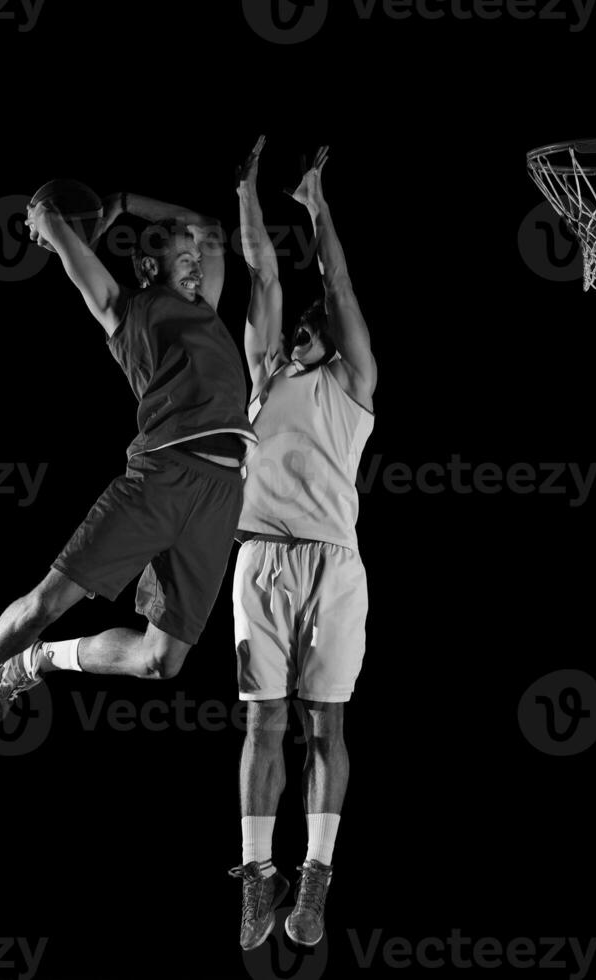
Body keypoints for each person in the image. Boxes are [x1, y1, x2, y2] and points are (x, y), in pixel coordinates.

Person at [0, 185, 256, 752]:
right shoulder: (123, 308)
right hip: (159, 478)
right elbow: (51, 222)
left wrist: (121, 202)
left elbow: (208, 225)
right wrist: (49, 220)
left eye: (197, 260)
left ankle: (39, 661)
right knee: (45, 604)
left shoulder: (204, 308)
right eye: (181, 258)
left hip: (221, 495)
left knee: (161, 663)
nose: (196, 264)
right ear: (146, 266)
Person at [227, 139, 377, 950]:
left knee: (326, 726)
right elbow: (262, 276)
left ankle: (314, 878)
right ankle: (257, 875)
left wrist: (319, 209)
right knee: (260, 726)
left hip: (333, 566)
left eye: (312, 330)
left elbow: (337, 285)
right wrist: (246, 189)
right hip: (261, 562)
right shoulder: (263, 375)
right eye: (296, 333)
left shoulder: (352, 382)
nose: (298, 336)